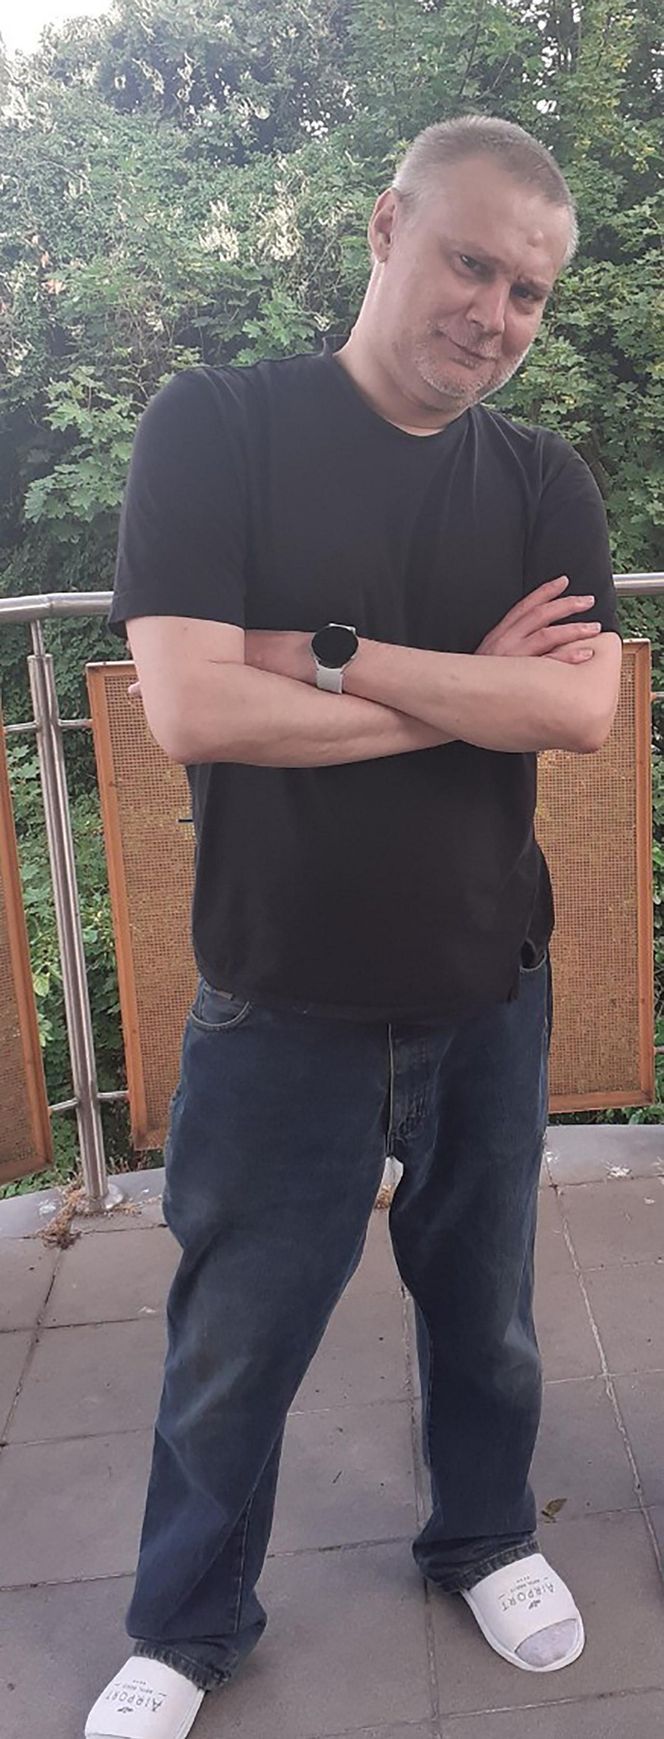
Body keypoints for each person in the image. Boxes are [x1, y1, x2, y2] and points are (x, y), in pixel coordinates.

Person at [85, 114, 622, 1739]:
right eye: (471, 263)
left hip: (488, 987)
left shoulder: (542, 480)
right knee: (233, 1346)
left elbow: (580, 714)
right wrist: (468, 693)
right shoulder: (218, 426)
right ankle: (185, 1625)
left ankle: (486, 1539)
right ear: (388, 230)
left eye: (528, 291)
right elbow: (192, 710)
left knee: (490, 1322)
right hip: (280, 996)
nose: (495, 314)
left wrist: (324, 655)